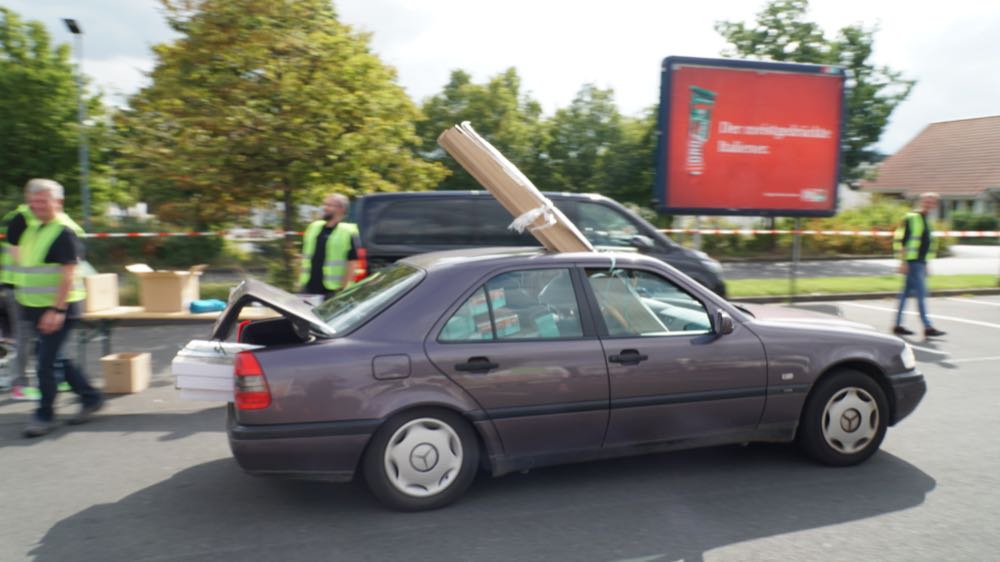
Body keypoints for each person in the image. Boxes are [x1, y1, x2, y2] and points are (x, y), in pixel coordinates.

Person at [13, 179, 103, 437]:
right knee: (56, 358)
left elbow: (67, 275)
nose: (36, 206)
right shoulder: (33, 227)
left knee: (45, 364)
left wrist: (57, 310)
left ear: (58, 202)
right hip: (34, 306)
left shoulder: (63, 231)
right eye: (32, 202)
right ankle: (90, 397)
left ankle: (44, 416)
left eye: (42, 201)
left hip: (58, 308)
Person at [892, 192, 946, 338]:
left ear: (935, 205)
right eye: (927, 202)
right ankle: (927, 327)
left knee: (905, 294)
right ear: (921, 202)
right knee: (921, 294)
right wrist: (903, 262)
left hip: (919, 262)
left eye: (932, 202)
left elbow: (924, 244)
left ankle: (897, 325)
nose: (929, 204)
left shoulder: (926, 220)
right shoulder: (912, 218)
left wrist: (926, 263)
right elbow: (903, 240)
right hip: (913, 263)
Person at [299, 194, 361, 300]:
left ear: (341, 209)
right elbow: (305, 256)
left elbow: (352, 263)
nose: (325, 208)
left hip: (332, 291)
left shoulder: (348, 231)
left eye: (329, 205)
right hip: (308, 288)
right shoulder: (314, 227)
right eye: (325, 204)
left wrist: (344, 290)